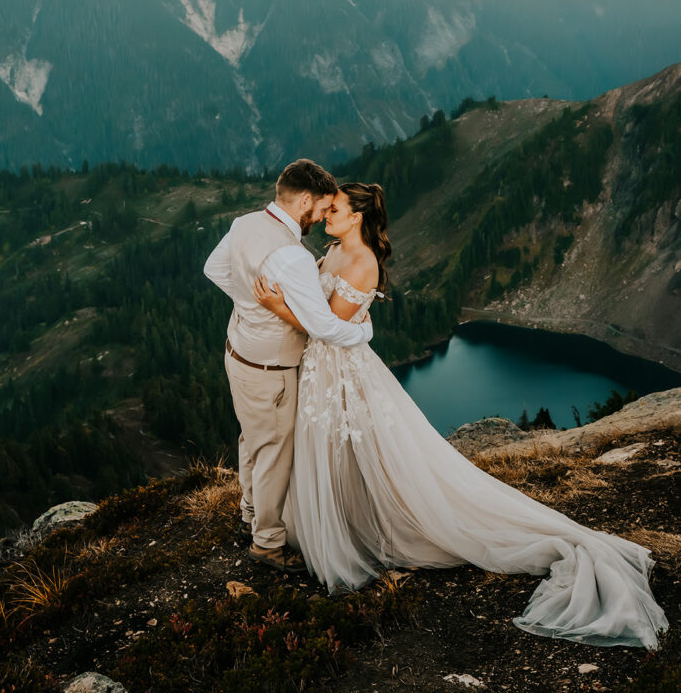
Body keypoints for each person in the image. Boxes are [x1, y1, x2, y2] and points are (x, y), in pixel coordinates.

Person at [252, 181, 669, 650]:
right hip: (321, 371)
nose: (326, 214)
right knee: (336, 449)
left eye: (336, 209)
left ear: (358, 218)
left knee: (360, 446)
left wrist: (277, 306)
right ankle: (347, 521)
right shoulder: (332, 249)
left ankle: (364, 530)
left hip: (339, 371)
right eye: (327, 208)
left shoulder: (364, 262)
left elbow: (326, 326)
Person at [203, 159, 374, 573]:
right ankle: (266, 544)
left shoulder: (245, 223)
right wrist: (364, 334)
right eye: (320, 208)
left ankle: (248, 513)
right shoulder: (293, 256)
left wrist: (248, 304)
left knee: (253, 439)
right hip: (270, 368)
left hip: (238, 352)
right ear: (303, 200)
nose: (321, 215)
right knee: (274, 454)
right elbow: (323, 326)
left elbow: (213, 268)